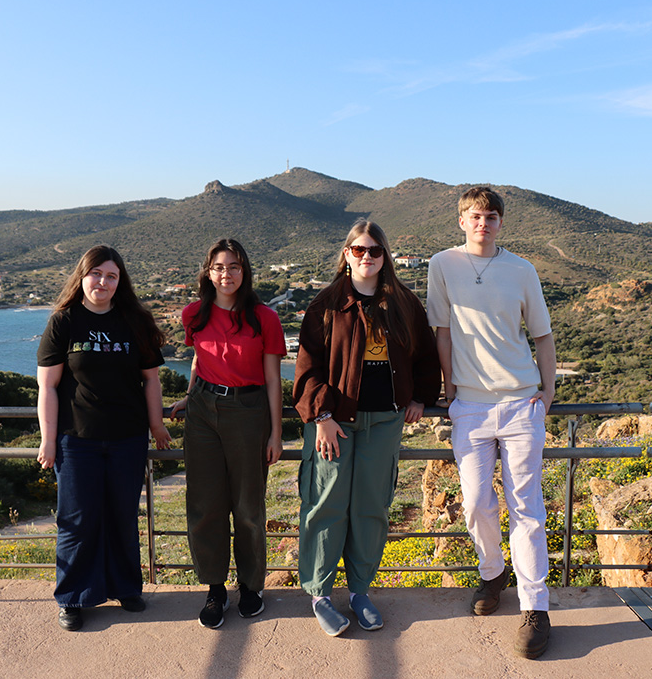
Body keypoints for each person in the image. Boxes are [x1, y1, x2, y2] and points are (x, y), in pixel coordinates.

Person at [294, 219, 441, 636]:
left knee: (371, 508)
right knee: (325, 505)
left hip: (385, 421)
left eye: (375, 250)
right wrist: (321, 417)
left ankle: (360, 591)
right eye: (359, 249)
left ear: (384, 256)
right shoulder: (326, 305)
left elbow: (425, 356)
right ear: (347, 254)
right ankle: (320, 595)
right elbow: (307, 369)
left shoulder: (404, 303)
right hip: (333, 423)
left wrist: (421, 398)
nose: (367, 257)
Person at [427, 187, 556, 659]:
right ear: (462, 221)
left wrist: (548, 392)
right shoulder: (442, 264)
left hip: (521, 402)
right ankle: (492, 573)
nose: (483, 223)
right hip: (470, 407)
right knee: (477, 503)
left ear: (501, 222)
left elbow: (542, 335)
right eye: (475, 216)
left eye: (492, 216)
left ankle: (535, 607)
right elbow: (442, 333)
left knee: (527, 508)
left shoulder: (522, 270)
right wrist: (449, 389)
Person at [36, 245, 171, 632]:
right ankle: (72, 597)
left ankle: (126, 588)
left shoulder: (135, 321)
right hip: (76, 440)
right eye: (96, 273)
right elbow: (48, 386)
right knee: (77, 521)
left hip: (128, 439)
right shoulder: (64, 322)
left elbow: (151, 380)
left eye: (111, 276)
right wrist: (48, 440)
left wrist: (157, 426)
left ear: (119, 281)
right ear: (82, 276)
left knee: (122, 516)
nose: (103, 282)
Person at [169, 239, 286, 629]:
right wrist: (190, 397)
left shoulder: (264, 318)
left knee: (248, 507)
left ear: (244, 271)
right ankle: (215, 589)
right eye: (219, 267)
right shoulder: (194, 314)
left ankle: (251, 586)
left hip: (248, 411)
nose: (226, 274)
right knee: (205, 505)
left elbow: (273, 379)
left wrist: (275, 434)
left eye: (234, 266)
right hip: (202, 410)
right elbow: (198, 359)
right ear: (208, 272)